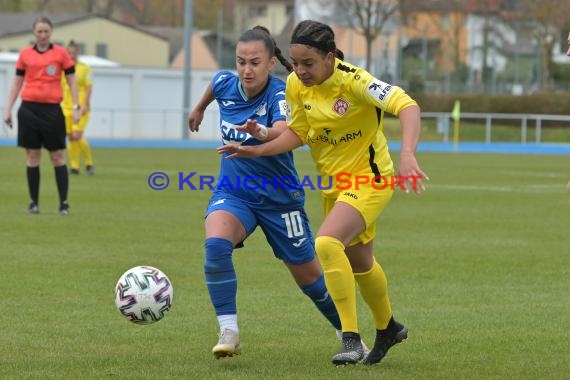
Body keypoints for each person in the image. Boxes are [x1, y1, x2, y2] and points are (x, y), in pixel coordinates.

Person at [218, 20, 429, 366]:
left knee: (326, 243)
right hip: (335, 186)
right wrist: (259, 142)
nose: (300, 71)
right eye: (296, 63)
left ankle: (350, 339)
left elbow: (408, 106)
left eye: (308, 64)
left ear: (330, 57)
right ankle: (388, 327)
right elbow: (298, 133)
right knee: (361, 263)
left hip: (371, 179)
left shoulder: (354, 81)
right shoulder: (295, 85)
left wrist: (407, 153)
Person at [187, 25, 343, 359]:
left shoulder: (280, 92)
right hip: (235, 192)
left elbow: (284, 129)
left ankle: (348, 333)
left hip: (279, 199)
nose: (246, 69)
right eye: (240, 61)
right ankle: (228, 330)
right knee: (215, 246)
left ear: (271, 62)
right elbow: (215, 85)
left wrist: (260, 131)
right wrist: (199, 108)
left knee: (312, 281)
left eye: (254, 62)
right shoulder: (226, 83)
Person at [3, 16, 80, 215]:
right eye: (39, 31)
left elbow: (72, 81)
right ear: (34, 32)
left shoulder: (61, 54)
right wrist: (8, 109)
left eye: (46, 31)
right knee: (32, 156)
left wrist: (77, 106)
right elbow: (17, 83)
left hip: (52, 110)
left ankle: (64, 203)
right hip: (28, 109)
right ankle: (33, 203)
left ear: (51, 31)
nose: (43, 35)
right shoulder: (25, 54)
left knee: (57, 156)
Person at [61, 40, 94, 176]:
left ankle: (89, 163)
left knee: (77, 135)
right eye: (69, 53)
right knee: (70, 138)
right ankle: (74, 166)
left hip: (79, 108)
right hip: (65, 107)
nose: (72, 55)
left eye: (74, 53)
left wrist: (85, 104)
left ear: (78, 53)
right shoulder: (62, 69)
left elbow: (89, 87)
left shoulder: (84, 68)